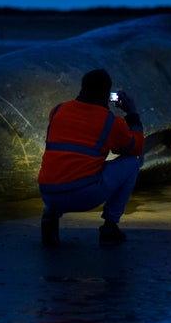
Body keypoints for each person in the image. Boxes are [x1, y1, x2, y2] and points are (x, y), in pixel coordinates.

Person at [37, 69, 144, 247]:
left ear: (82, 88)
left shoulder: (58, 110)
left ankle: (50, 216)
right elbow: (136, 148)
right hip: (83, 195)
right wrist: (132, 114)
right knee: (132, 163)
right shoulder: (110, 121)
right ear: (106, 94)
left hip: (48, 193)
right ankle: (110, 226)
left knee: (63, 166)